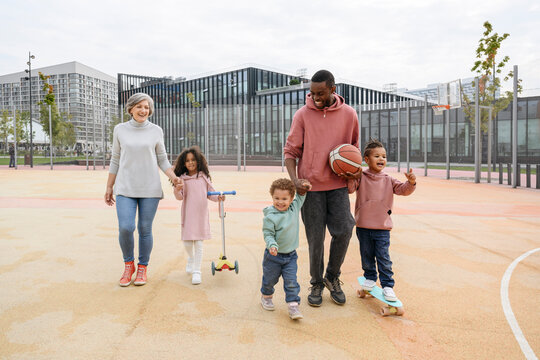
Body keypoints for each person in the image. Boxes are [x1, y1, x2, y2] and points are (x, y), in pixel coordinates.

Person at [283, 69, 361, 307]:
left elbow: (355, 151)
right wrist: (295, 180)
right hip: (311, 188)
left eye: (320, 93)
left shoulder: (349, 114)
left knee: (345, 230)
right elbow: (290, 152)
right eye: (312, 93)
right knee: (315, 239)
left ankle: (332, 276)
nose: (315, 97)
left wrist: (354, 175)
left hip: (337, 186)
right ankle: (316, 282)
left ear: (333, 89)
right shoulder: (302, 115)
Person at [105, 93, 181, 287]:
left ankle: (142, 268)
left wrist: (174, 178)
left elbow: (162, 159)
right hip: (125, 187)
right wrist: (109, 186)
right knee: (126, 227)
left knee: (145, 229)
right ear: (130, 109)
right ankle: (128, 265)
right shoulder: (119, 129)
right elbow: (115, 159)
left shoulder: (156, 130)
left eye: (146, 107)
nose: (143, 110)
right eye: (139, 106)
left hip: (150, 188)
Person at [348, 138, 416, 302]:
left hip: (382, 228)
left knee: (383, 258)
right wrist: (352, 176)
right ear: (366, 159)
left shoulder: (388, 179)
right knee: (367, 255)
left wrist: (411, 182)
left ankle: (387, 286)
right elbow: (350, 189)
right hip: (363, 226)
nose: (381, 159)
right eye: (376, 156)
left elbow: (403, 190)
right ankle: (370, 277)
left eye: (384, 156)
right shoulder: (361, 177)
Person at [260, 178, 312, 320]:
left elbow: (302, 195)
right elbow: (268, 234)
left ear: (291, 198)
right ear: (272, 197)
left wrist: (305, 186)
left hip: (290, 256)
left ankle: (293, 305)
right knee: (270, 280)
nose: (280, 202)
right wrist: (272, 245)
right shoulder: (270, 217)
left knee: (291, 281)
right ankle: (266, 296)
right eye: (276, 198)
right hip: (273, 256)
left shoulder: (294, 207)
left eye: (284, 198)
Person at [172, 146, 224, 285]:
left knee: (199, 243)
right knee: (188, 243)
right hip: (188, 215)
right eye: (187, 161)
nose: (190, 163)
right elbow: (179, 197)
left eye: (193, 160)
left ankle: (197, 271)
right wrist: (177, 189)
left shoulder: (203, 177)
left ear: (198, 161)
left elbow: (211, 193)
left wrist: (219, 197)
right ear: (184, 163)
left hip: (201, 215)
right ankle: (191, 258)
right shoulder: (182, 179)